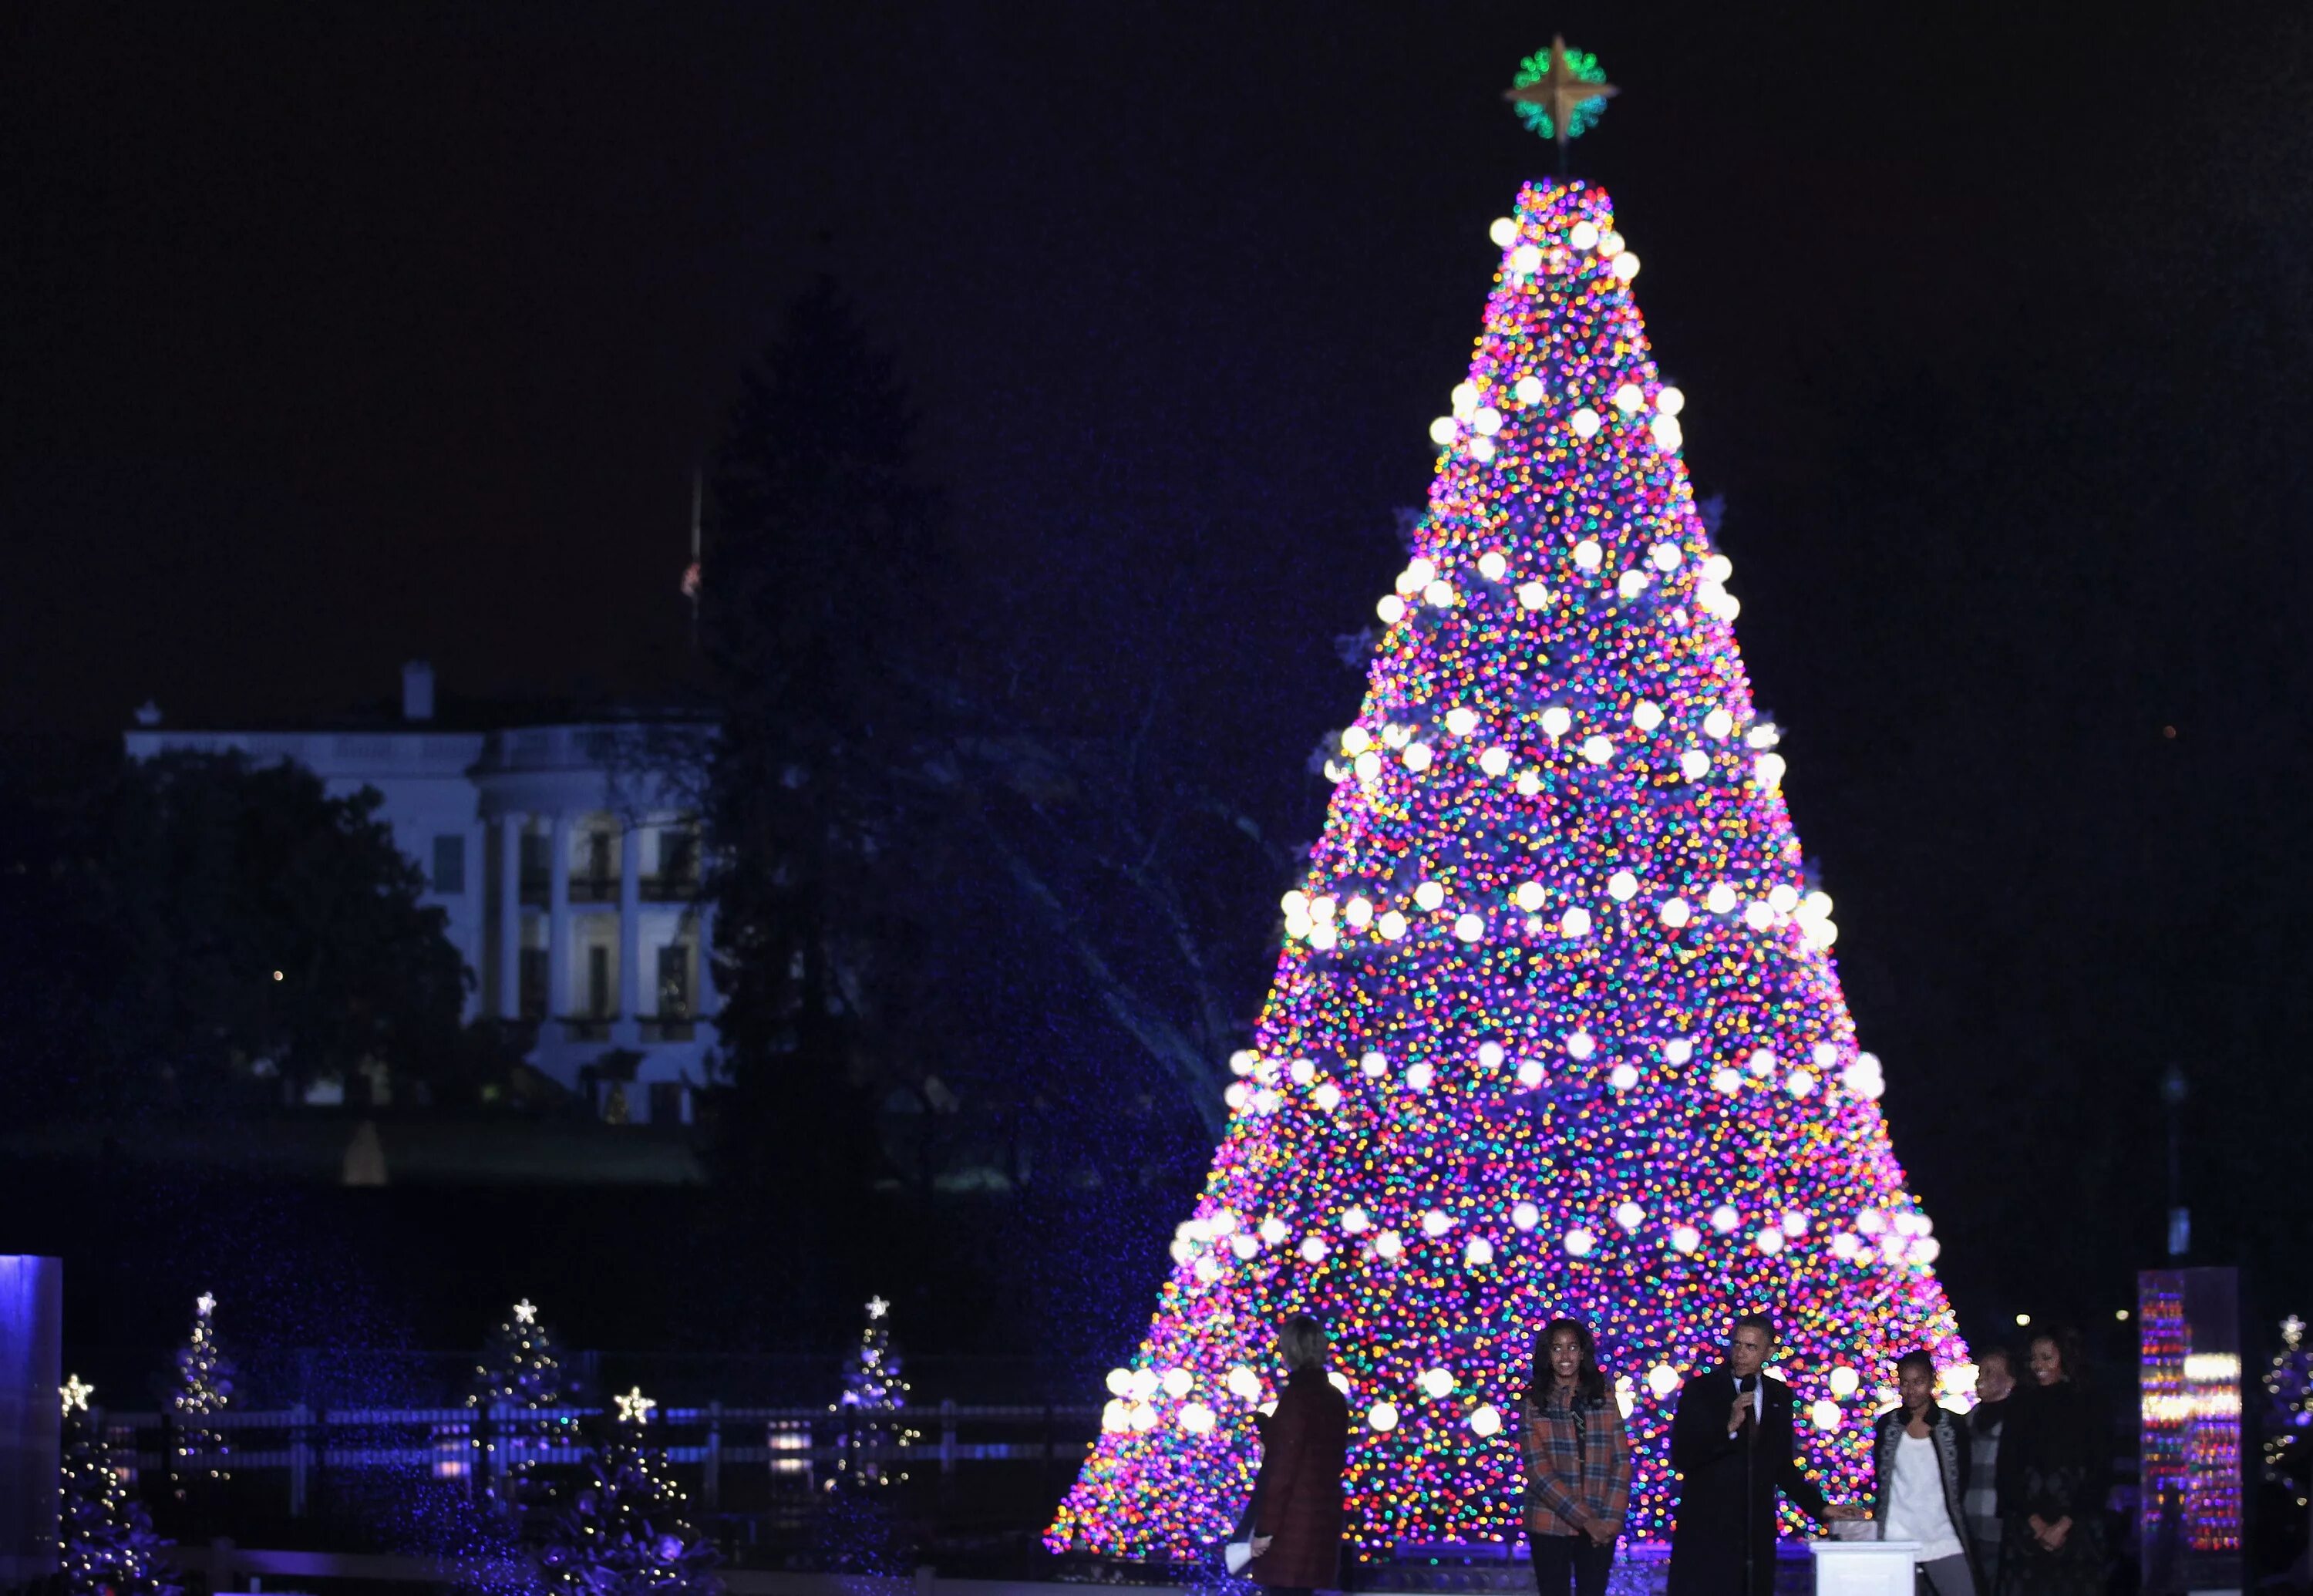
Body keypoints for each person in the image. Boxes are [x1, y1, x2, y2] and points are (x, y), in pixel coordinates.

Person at [1668, 1313, 1863, 1596]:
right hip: (1707, 1531)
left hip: (1754, 1533)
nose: (1740, 1354)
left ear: (1769, 1351)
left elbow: (1781, 1465)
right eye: (1736, 1344)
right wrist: (1728, 1428)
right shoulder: (1702, 1390)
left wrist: (1821, 1508)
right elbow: (1684, 1455)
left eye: (1751, 1347)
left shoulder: (1779, 1395)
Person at [1519, 1318, 1633, 1596]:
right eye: (1557, 1348)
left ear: (1583, 1353)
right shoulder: (1534, 1404)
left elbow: (1621, 1461)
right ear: (1548, 1354)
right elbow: (1538, 1473)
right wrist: (1587, 1521)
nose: (1565, 1356)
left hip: (1601, 1523)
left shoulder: (1605, 1400)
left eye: (1572, 1347)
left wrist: (1610, 1522)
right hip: (1550, 1523)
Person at [1995, 1327, 2107, 1596]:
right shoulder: (2020, 1402)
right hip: (2026, 1529)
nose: (2038, 1366)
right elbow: (2007, 1467)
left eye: (2047, 1357)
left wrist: (2064, 1525)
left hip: (2077, 1528)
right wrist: (2035, 1522)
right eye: (2034, 1358)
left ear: (2065, 1359)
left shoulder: (2090, 1402)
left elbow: (2100, 1468)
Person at [1247, 1313, 1349, 1596]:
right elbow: (1324, 1453)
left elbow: (1283, 1468)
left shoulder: (1298, 1395)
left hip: (1292, 1526)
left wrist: (1265, 1530)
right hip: (1320, 1517)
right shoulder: (1333, 1396)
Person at [1868, 1350, 1980, 1596]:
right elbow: (1881, 1476)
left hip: (1941, 1532)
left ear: (1931, 1381)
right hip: (1896, 1533)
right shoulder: (1888, 1425)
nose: (1910, 1390)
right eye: (1904, 1383)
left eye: (1918, 1382)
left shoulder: (1951, 1425)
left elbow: (1963, 1476)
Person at [1966, 1349, 2018, 1593]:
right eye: (1980, 1372)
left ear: (2010, 1381)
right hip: (1969, 1525)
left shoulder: (2019, 1420)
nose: (1980, 1379)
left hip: (2002, 1528)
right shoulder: (1968, 1420)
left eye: (1989, 1373)